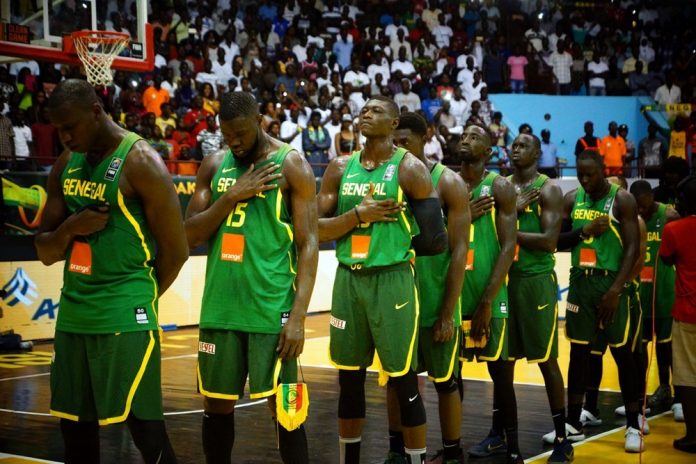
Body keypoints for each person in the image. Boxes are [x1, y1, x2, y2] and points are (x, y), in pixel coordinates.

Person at [35, 78, 188, 463]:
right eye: (59, 129)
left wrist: (141, 298)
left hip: (125, 311)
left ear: (96, 112)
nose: (65, 137)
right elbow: (45, 251)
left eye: (71, 126)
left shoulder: (140, 161)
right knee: (75, 430)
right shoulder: (65, 165)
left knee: (146, 430)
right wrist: (72, 227)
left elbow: (177, 250)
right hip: (74, 314)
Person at [184, 91, 318, 464]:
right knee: (216, 406)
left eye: (241, 134)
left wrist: (299, 316)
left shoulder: (291, 165)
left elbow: (309, 244)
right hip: (221, 308)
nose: (235, 143)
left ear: (259, 121)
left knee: (289, 409)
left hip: (271, 310)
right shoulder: (213, 165)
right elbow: (189, 235)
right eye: (228, 136)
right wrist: (230, 198)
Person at [317, 96, 448, 464]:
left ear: (394, 125)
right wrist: (358, 217)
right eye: (363, 109)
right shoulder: (340, 168)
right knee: (349, 380)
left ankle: (415, 459)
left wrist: (391, 247)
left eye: (376, 111)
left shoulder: (410, 169)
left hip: (392, 281)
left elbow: (435, 238)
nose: (366, 113)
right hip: (349, 280)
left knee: (404, 379)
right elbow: (309, 226)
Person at [389, 112, 470, 464]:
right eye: (395, 142)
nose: (399, 149)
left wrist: (448, 312)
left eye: (405, 142)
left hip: (436, 298)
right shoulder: (389, 179)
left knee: (445, 382)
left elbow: (459, 252)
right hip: (398, 301)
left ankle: (452, 454)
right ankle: (398, 453)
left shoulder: (448, 182)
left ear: (427, 137)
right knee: (397, 380)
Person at [555, 150, 644, 453]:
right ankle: (573, 423)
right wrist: (584, 232)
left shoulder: (622, 200)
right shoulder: (571, 198)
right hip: (581, 283)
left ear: (603, 170)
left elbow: (632, 249)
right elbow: (556, 241)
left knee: (622, 355)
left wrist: (616, 290)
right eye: (580, 174)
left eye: (590, 174)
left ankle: (633, 424)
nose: (584, 179)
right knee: (578, 355)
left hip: (610, 285)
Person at [505, 133, 572, 462]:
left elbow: (548, 241)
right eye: (513, 145)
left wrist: (506, 229)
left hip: (536, 281)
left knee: (546, 361)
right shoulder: (502, 186)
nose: (515, 149)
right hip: (505, 281)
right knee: (501, 363)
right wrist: (508, 217)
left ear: (536, 152)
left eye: (522, 146)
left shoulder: (548, 189)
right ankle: (504, 438)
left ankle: (562, 439)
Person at [458, 124, 519, 463]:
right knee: (451, 375)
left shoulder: (499, 186)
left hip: (489, 293)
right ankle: (453, 443)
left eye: (475, 137)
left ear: (490, 151)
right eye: (464, 135)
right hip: (454, 293)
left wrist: (486, 300)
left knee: (502, 375)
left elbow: (508, 246)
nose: (466, 140)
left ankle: (512, 449)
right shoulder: (445, 184)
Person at [629, 180, 681, 418]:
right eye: (636, 207)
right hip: (640, 291)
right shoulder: (631, 215)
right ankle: (639, 395)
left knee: (666, 345)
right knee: (639, 346)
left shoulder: (669, 214)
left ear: (651, 196)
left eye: (642, 206)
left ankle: (671, 391)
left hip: (665, 290)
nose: (639, 211)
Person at [659, 176, 696, 454]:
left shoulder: (675, 229)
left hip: (688, 312)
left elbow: (667, 258)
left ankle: (693, 436)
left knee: (686, 377)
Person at [302, 111, 331, 177]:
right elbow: (306, 146)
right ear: (311, 120)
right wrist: (321, 145)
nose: (316, 122)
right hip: (311, 159)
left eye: (318, 120)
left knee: (322, 179)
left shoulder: (324, 130)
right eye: (314, 120)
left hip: (322, 159)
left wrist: (315, 144)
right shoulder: (306, 131)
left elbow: (328, 144)